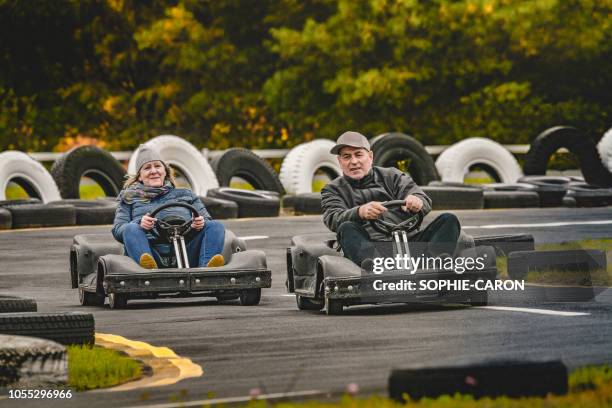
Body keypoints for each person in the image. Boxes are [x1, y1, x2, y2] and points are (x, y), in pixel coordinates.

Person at [321, 131, 461, 269]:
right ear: (340, 161)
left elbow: (423, 199)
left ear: (370, 156)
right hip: (370, 249)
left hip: (411, 244)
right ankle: (376, 270)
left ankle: (434, 265)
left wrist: (417, 201)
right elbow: (333, 218)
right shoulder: (333, 189)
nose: (354, 161)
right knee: (346, 227)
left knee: (449, 220)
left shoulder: (392, 176)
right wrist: (360, 212)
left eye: (358, 154)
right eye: (347, 157)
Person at [112, 145, 225, 269]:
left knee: (215, 226)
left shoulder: (186, 194)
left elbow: (206, 220)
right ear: (139, 176)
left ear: (165, 171)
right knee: (131, 228)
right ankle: (150, 271)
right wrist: (140, 224)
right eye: (147, 168)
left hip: (186, 253)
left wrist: (197, 224)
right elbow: (118, 230)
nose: (153, 171)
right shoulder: (129, 198)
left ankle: (207, 272)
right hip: (151, 251)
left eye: (157, 166)